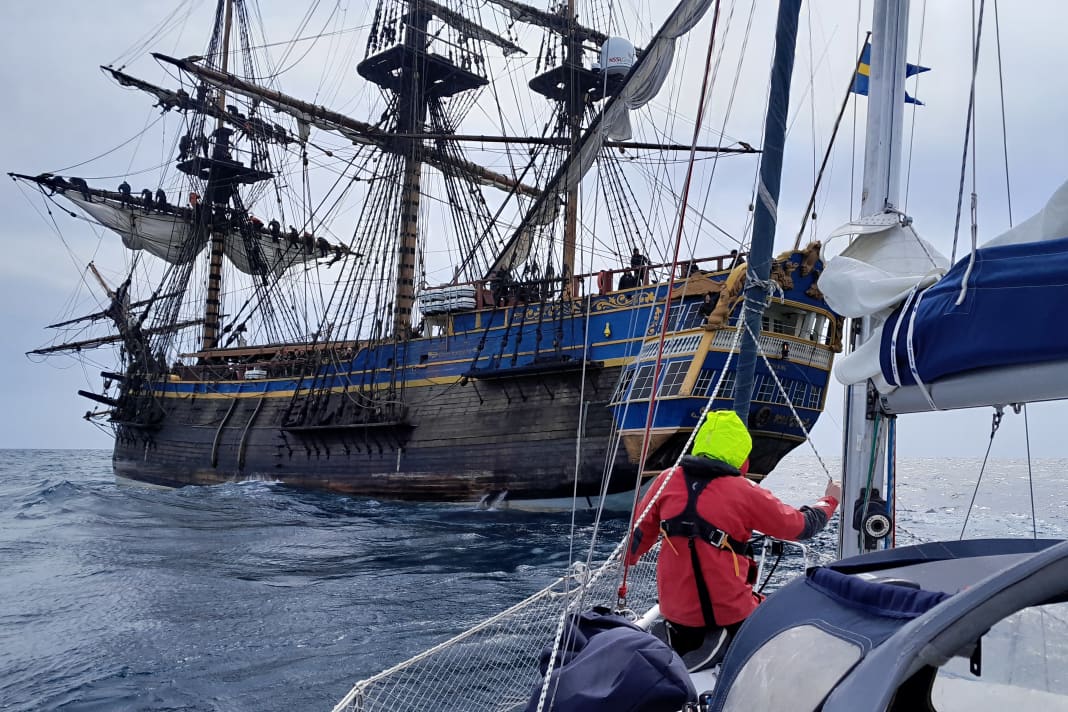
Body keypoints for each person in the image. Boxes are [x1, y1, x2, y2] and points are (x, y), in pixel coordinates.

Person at [625, 410, 840, 670]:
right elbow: (801, 527)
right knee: (789, 619)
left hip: (676, 616)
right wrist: (830, 500)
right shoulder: (744, 492)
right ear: (742, 453)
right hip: (729, 617)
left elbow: (634, 544)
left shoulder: (665, 481)